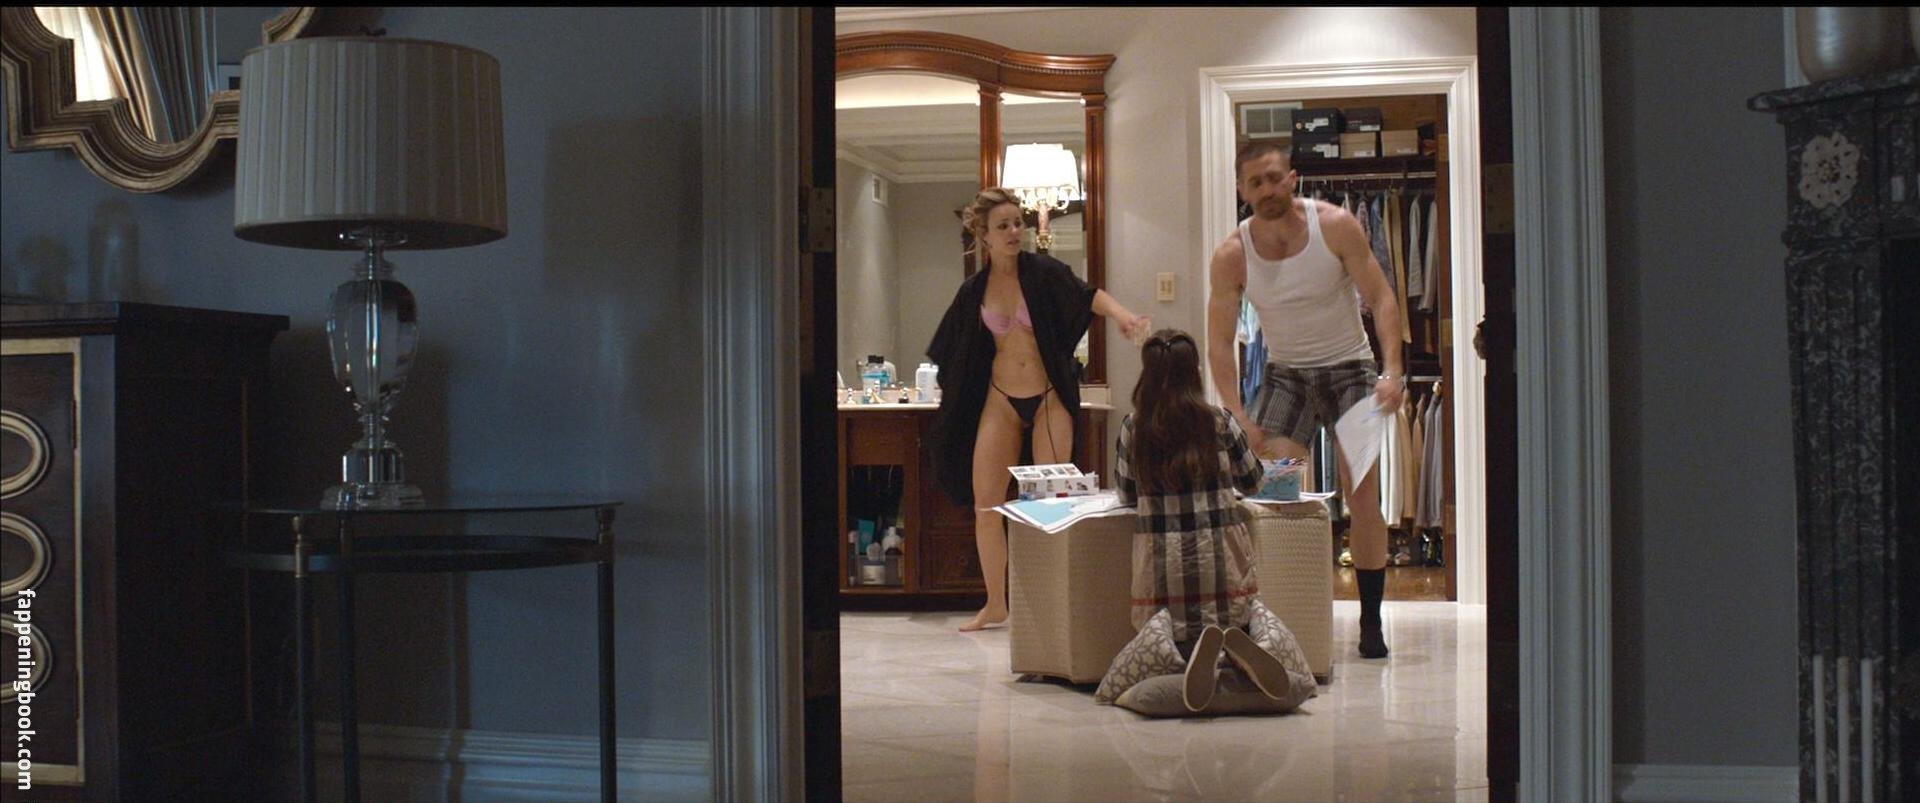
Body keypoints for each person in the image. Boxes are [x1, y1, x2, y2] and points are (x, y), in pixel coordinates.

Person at [1206, 141, 1406, 659]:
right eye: (1256, 182)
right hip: (1287, 375)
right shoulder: (1232, 254)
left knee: (1362, 495)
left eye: (1275, 177)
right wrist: (1236, 412)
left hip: (1351, 369)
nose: (1267, 189)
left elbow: (1381, 296)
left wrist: (1393, 371)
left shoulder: (1335, 225)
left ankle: (1370, 620)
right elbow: (1219, 341)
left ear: (1292, 178)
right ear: (1241, 190)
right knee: (1277, 496)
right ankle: (1284, 616)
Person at [927, 187, 1151, 632]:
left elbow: (1088, 296)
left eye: (1018, 223)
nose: (1014, 232)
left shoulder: (1043, 272)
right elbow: (955, 350)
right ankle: (996, 603)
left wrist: (1124, 317)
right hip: (1000, 399)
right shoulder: (974, 291)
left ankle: (1054, 601)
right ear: (984, 236)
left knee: (1051, 505)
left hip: (1048, 396)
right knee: (986, 505)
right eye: (1003, 226)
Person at [1113, 329, 1297, 710]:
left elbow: (1126, 494)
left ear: (1147, 375)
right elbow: (1254, 480)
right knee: (1237, 617)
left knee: (1159, 644)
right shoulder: (1220, 422)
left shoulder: (1134, 428)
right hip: (1224, 578)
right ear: (1195, 372)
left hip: (1161, 584)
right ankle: (1232, 654)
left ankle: (1185, 660)